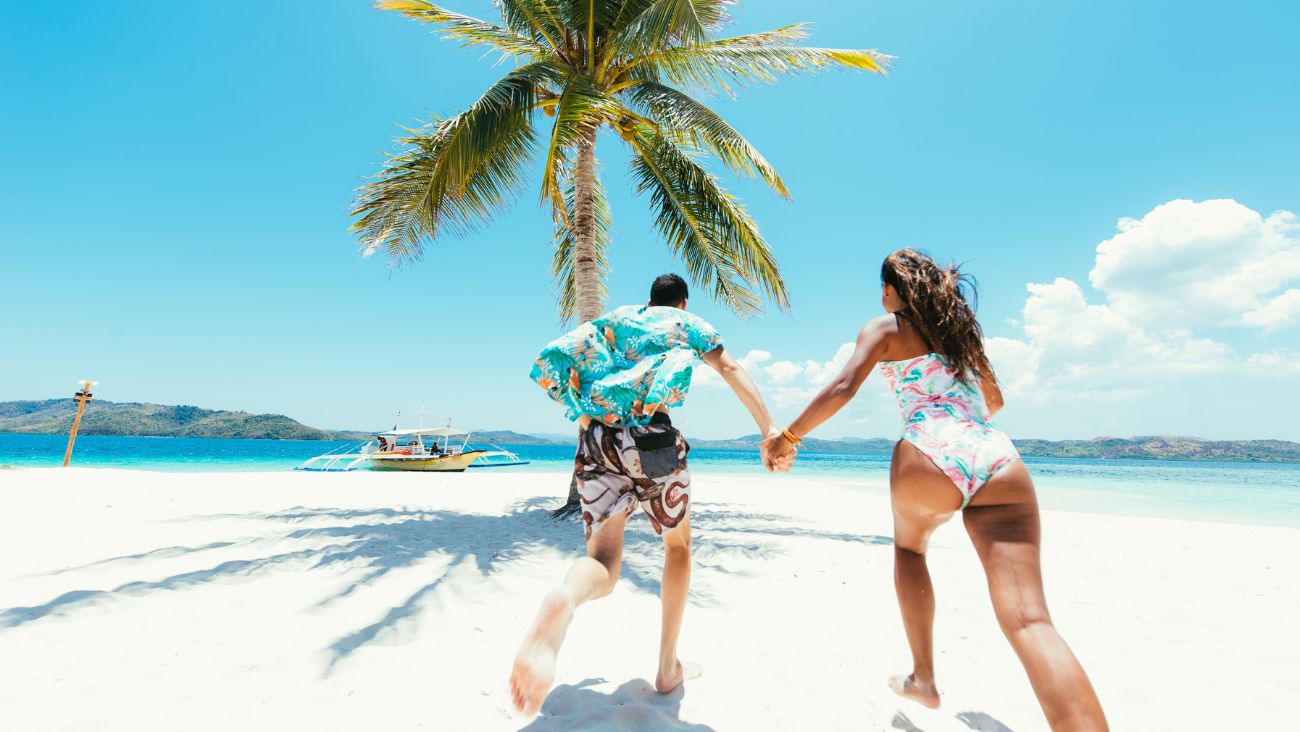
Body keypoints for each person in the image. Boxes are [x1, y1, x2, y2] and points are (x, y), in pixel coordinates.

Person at [763, 249, 1108, 731]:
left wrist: (788, 437)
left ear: (891, 291)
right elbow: (995, 400)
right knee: (1031, 622)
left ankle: (923, 676)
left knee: (910, 549)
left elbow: (844, 386)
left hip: (929, 451)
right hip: (997, 458)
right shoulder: (963, 337)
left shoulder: (888, 327)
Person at [509, 273, 783, 716]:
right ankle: (666, 667)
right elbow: (730, 367)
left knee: (601, 564)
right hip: (653, 442)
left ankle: (566, 597)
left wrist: (587, 420)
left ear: (648, 300)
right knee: (677, 547)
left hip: (597, 440)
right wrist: (769, 428)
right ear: (682, 302)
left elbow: (558, 360)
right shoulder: (686, 323)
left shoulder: (617, 321)